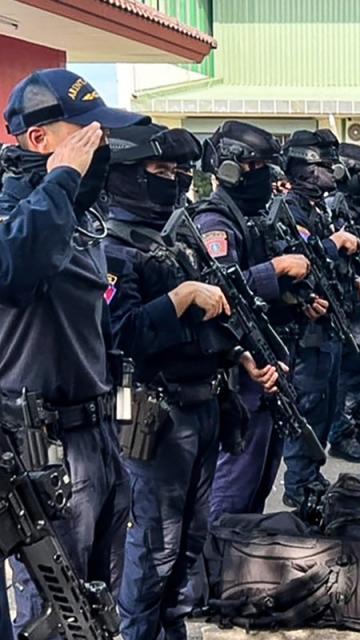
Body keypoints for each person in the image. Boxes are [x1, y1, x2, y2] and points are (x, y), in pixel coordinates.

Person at [102, 123, 279, 638]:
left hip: (206, 405)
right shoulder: (114, 248)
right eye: (161, 171)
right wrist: (179, 299)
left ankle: (174, 629)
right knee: (154, 548)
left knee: (190, 543)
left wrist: (242, 353)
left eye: (180, 172)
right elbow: (122, 335)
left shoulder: (178, 235)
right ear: (127, 175)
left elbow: (217, 315)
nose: (174, 181)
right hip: (155, 416)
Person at [0, 68, 145, 635]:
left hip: (99, 437)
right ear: (39, 141)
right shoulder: (19, 212)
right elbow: (16, 270)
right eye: (85, 133)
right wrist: (60, 181)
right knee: (58, 619)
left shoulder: (78, 218)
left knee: (99, 608)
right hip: (43, 450)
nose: (100, 145)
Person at [196, 120, 322, 522]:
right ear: (231, 169)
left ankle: (241, 557)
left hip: (268, 360)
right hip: (240, 370)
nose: (267, 177)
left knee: (260, 476)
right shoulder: (215, 223)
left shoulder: (250, 219)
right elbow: (219, 290)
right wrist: (277, 268)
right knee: (235, 480)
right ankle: (221, 560)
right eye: (257, 166)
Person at [278, 129, 360, 501]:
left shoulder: (318, 210)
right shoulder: (288, 209)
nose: (333, 172)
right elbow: (293, 261)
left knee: (326, 404)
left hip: (329, 324)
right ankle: (299, 485)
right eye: (325, 166)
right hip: (307, 331)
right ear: (307, 169)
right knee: (308, 406)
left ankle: (312, 477)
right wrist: (333, 244)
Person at [325, 142, 360, 462]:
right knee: (351, 372)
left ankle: (357, 422)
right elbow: (329, 258)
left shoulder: (358, 204)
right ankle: (341, 433)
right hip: (347, 302)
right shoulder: (334, 206)